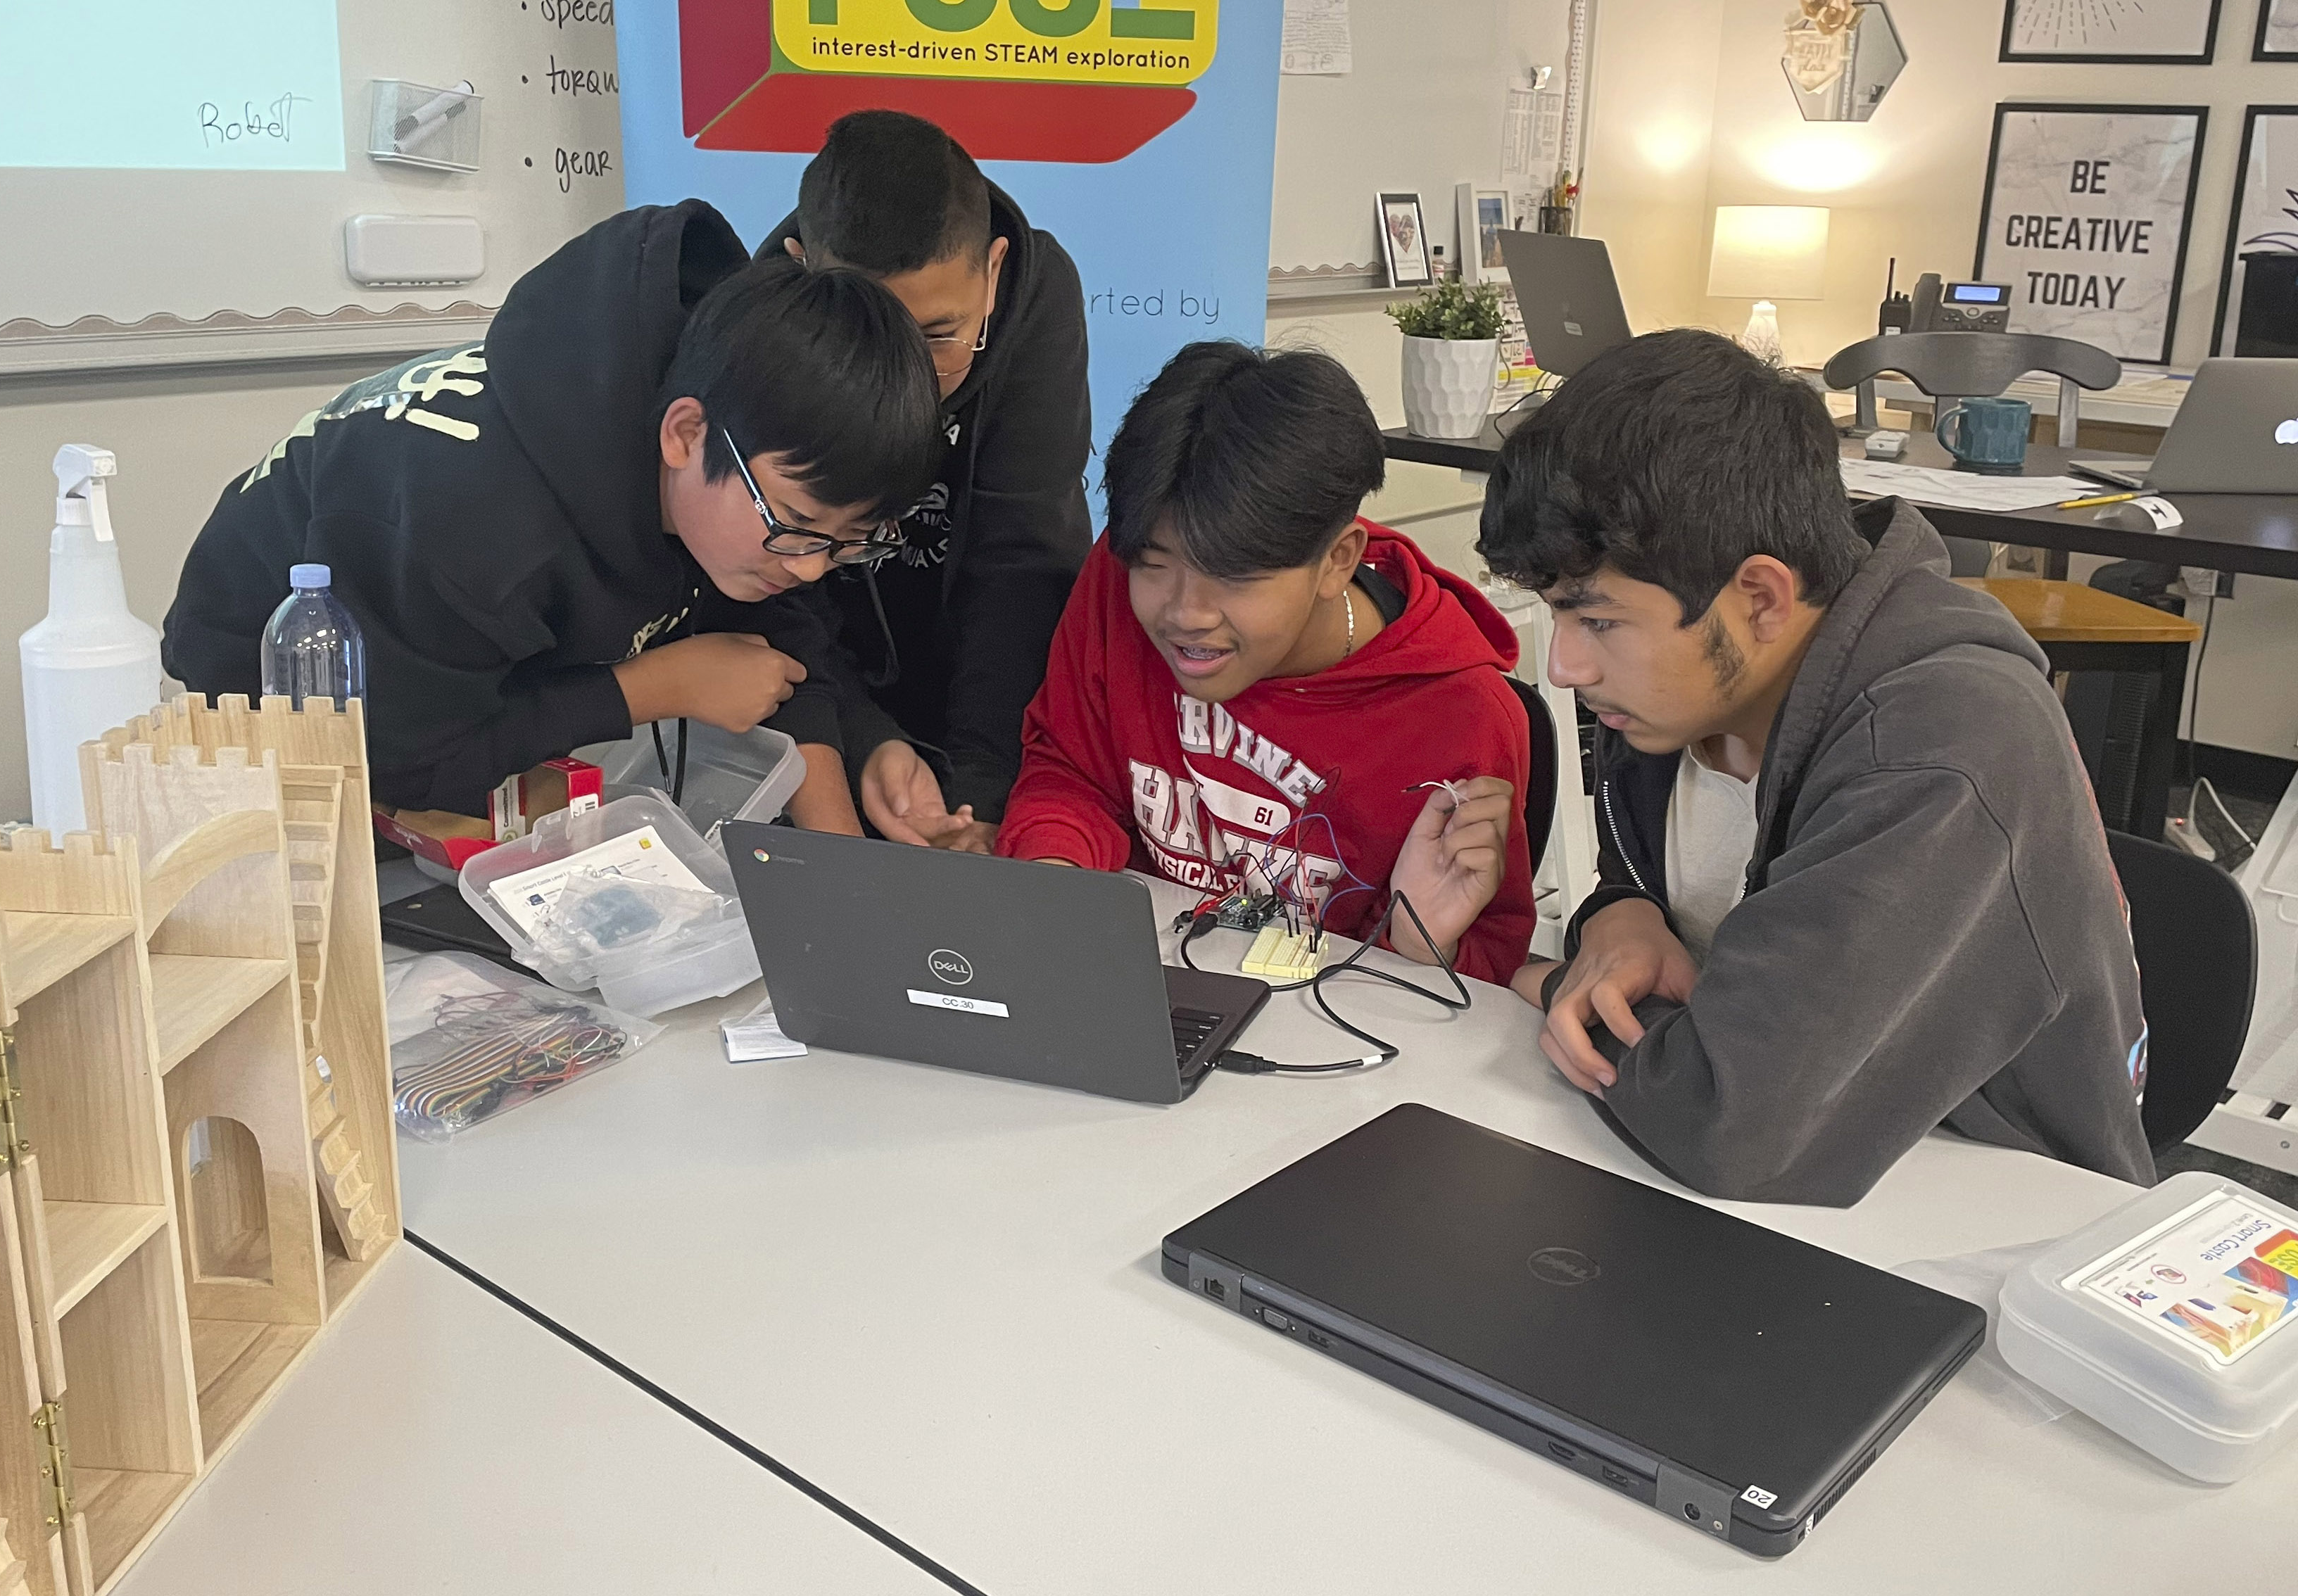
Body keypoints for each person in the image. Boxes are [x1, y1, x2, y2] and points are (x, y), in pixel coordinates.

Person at [1476, 329, 2152, 1205]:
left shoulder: (1946, 743)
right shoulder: (1673, 693)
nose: (1563, 667)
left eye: (1595, 621)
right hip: (1748, 1193)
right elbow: (1652, 888)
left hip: (1989, 1216)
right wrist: (1618, 917)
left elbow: (1726, 1117)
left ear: (1759, 597)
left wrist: (1548, 981)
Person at [163, 205, 940, 823]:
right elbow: (399, 761)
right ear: (685, 434)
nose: (807, 565)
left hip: (456, 686)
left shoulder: (754, 455)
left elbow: (788, 637)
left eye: (844, 546)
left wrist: (844, 864)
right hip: (273, 720)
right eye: (798, 528)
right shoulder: (478, 531)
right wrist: (649, 689)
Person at [997, 342, 1534, 987]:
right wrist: (1053, 874)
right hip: (1126, 984)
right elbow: (1069, 770)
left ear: (1337, 560)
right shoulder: (1113, 582)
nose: (1185, 614)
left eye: (1233, 575)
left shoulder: (1463, 719)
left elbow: (1485, 974)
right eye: (1153, 563)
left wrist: (1419, 940)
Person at [763, 110, 1093, 854]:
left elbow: (1023, 559)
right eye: (867, 330)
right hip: (818, 696)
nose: (904, 377)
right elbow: (776, 590)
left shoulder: (1037, 300)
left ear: (995, 271)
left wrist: (979, 786)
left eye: (937, 336)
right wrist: (862, 734)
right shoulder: (760, 324)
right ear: (799, 271)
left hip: (985, 686)